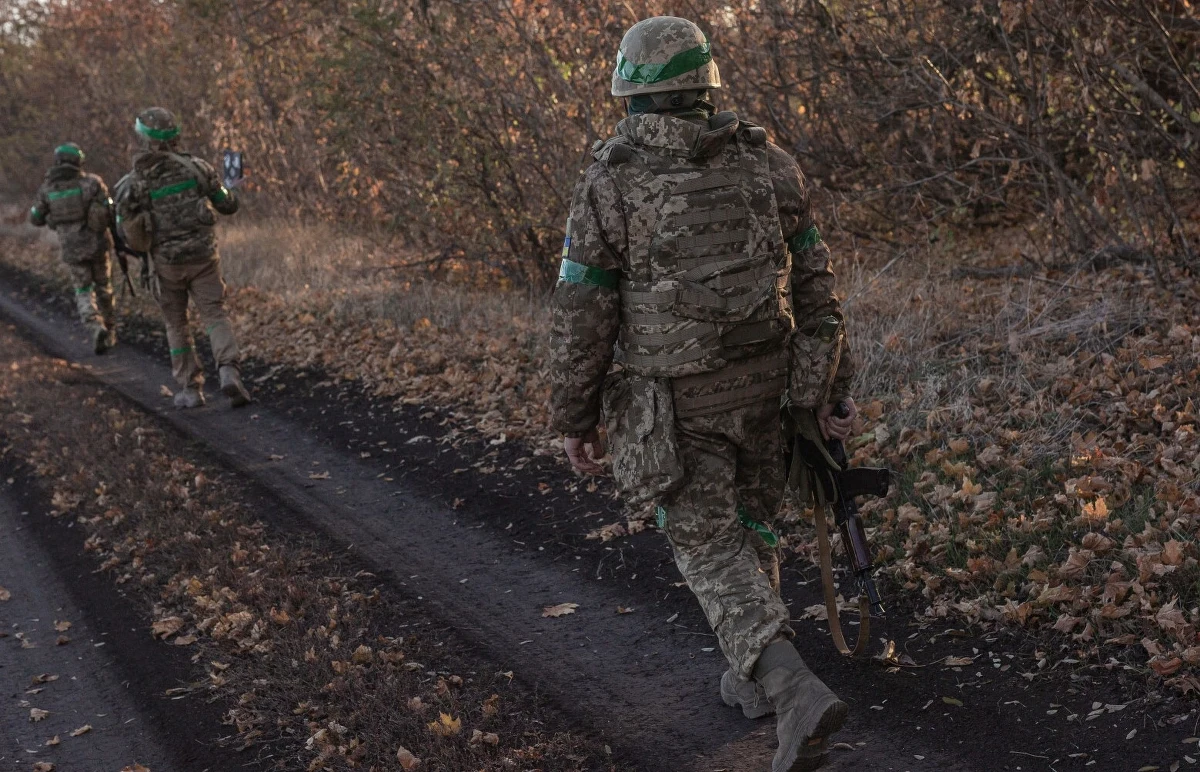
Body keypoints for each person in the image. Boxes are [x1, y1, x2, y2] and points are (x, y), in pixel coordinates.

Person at [549, 16, 860, 772]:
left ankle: (790, 688)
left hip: (678, 404)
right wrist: (827, 387)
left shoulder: (610, 180)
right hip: (770, 387)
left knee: (707, 544)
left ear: (631, 90)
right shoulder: (767, 163)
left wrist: (575, 415)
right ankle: (750, 679)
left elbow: (583, 311)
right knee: (753, 522)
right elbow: (817, 287)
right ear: (706, 82)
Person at [113, 107, 251, 409]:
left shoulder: (132, 183)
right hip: (204, 260)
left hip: (165, 266)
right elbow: (227, 205)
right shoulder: (197, 168)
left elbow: (124, 232)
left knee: (176, 324)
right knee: (215, 315)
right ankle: (228, 370)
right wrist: (232, 186)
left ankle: (191, 389)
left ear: (144, 139)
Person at [29, 143, 117, 354]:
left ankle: (96, 327)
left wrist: (51, 217)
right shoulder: (92, 183)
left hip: (72, 250)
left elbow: (35, 218)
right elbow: (110, 211)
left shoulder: (47, 189)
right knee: (104, 287)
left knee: (83, 291)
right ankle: (111, 329)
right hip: (98, 246)